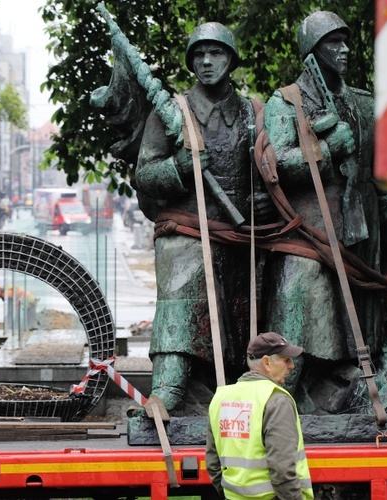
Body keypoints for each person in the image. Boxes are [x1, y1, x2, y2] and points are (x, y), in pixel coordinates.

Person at [259, 10, 387, 413]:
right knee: (304, 307)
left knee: (359, 319)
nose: (343, 51)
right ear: (311, 49)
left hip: (362, 232)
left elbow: (384, 173)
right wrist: (327, 150)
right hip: (308, 233)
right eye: (332, 43)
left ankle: (353, 387)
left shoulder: (363, 103)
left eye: (345, 42)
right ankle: (288, 393)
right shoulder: (286, 101)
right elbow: (276, 165)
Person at [134, 22, 273, 412]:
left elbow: (269, 168)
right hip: (188, 231)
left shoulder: (253, 111)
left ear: (230, 59)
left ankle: (276, 381)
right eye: (199, 54)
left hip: (243, 233)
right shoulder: (171, 113)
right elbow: (144, 174)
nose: (207, 61)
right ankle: (169, 386)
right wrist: (178, 167)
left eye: (215, 53)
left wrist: (264, 200)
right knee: (185, 268)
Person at [206, 332, 313, 499]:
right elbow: (282, 468)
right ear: (267, 362)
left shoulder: (221, 397)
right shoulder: (276, 399)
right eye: (286, 360)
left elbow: (213, 462)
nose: (291, 365)